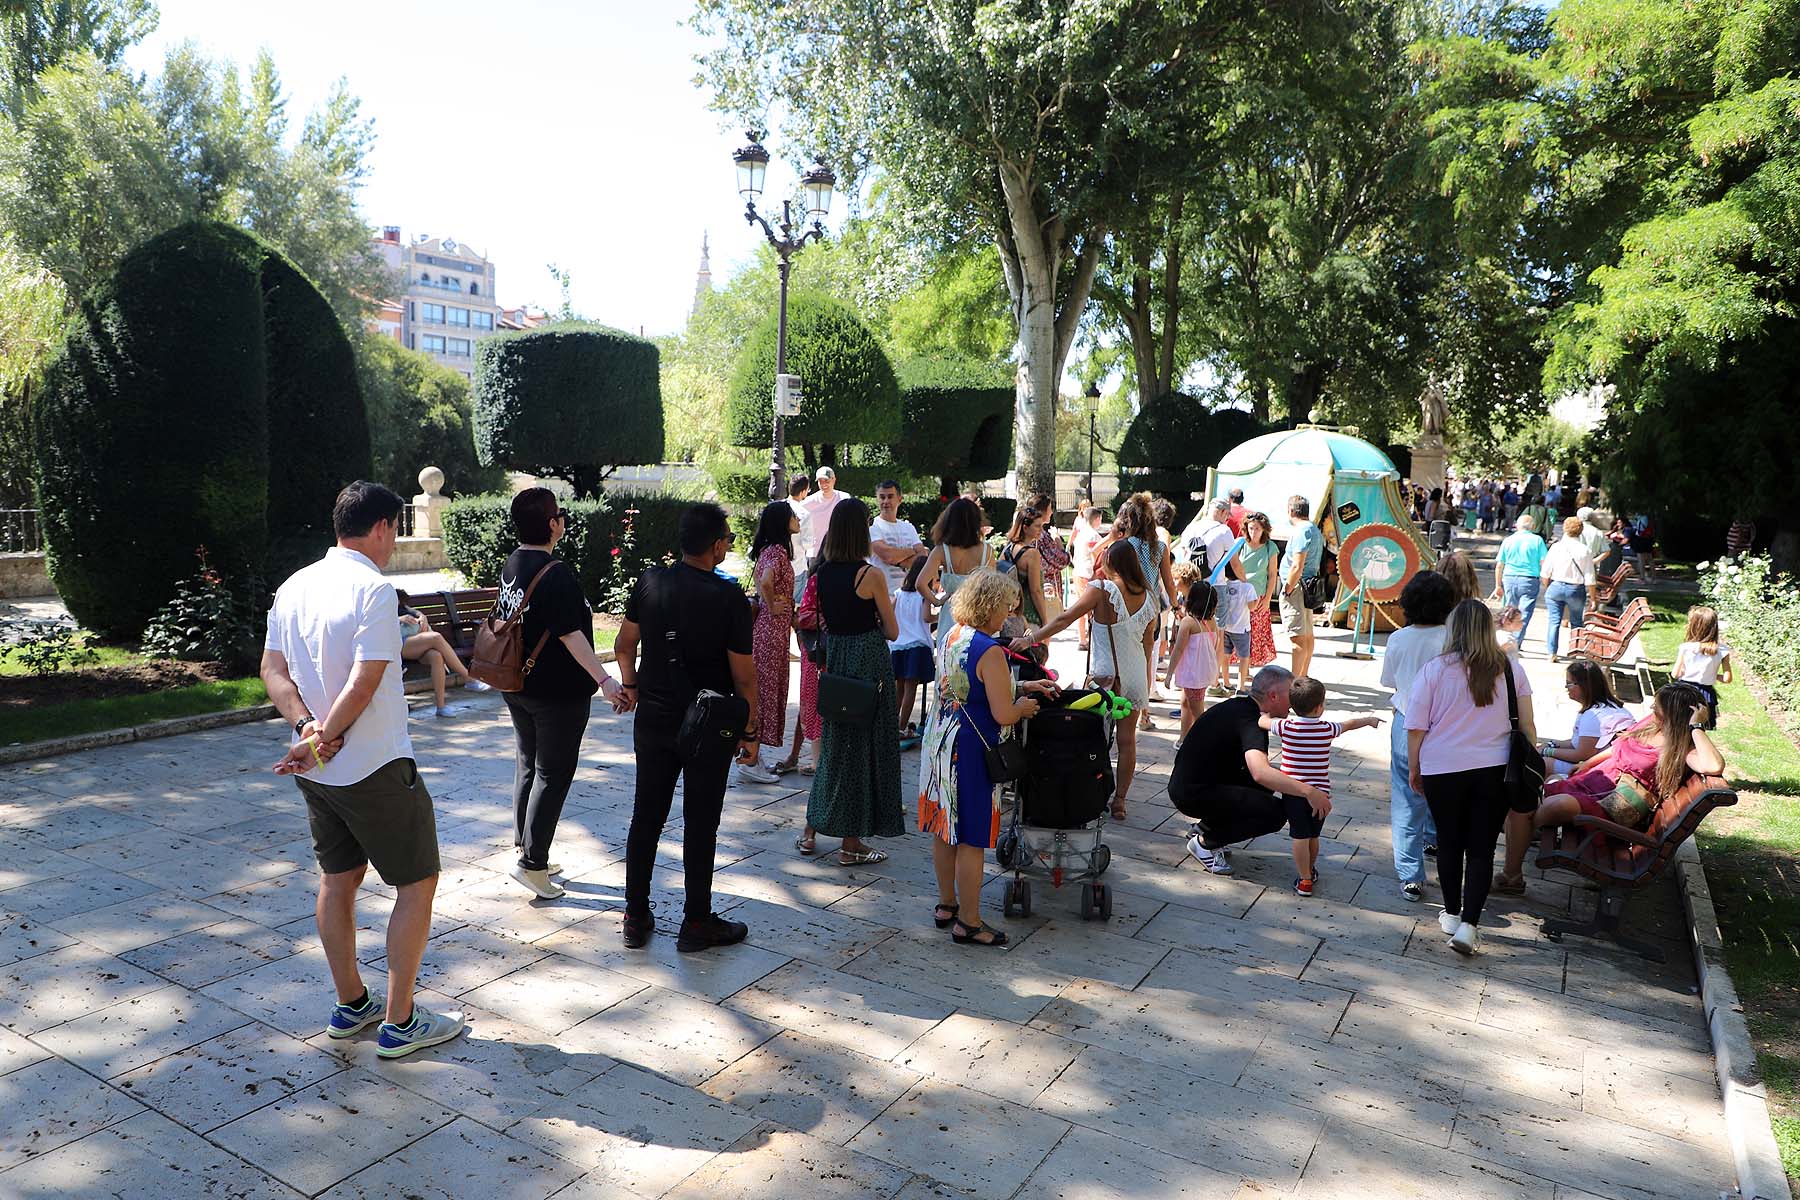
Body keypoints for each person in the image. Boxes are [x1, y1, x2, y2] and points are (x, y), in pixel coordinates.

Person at [259, 481, 464, 1058]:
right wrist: (325, 736)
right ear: (381, 528)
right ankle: (400, 1022)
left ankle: (352, 1005)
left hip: (318, 770)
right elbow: (367, 677)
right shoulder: (373, 590)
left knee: (338, 879)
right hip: (373, 764)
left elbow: (272, 669)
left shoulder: (294, 585)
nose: (394, 541)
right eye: (395, 530)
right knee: (417, 882)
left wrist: (305, 729)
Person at [614, 503, 758, 953]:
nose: (729, 546)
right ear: (716, 545)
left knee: (646, 816)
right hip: (707, 722)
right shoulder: (729, 597)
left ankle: (635, 915)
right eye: (728, 540)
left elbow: (623, 645)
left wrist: (631, 686)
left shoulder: (649, 582)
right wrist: (750, 731)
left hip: (654, 714)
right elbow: (744, 676)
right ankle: (696, 922)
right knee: (701, 822)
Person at [494, 487, 631, 899]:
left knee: (528, 764)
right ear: (552, 524)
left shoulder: (513, 563)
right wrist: (607, 682)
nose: (563, 519)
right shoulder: (557, 573)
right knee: (552, 773)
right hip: (556, 692)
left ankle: (529, 846)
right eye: (559, 514)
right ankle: (532, 864)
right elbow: (572, 636)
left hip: (518, 684)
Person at [919, 569, 1056, 947]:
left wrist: (1022, 683)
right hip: (973, 752)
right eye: (1005, 608)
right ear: (990, 606)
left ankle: (947, 904)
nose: (1007, 616)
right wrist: (1024, 705)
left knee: (945, 828)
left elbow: (967, 685)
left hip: (941, 744)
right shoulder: (990, 649)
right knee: (973, 838)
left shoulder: (952, 635)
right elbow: (1002, 713)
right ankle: (970, 921)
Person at [1403, 598, 1536, 956]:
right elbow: (1527, 727)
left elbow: (1415, 727)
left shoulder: (1435, 670)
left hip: (1442, 768)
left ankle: (1450, 911)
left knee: (1449, 841)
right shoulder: (1511, 669)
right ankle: (1469, 924)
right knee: (1481, 848)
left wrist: (1415, 767)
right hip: (1495, 771)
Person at [1498, 684, 1723, 891]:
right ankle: (1517, 854)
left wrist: (1696, 726)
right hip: (1596, 782)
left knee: (1550, 805)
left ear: (1673, 714)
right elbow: (1618, 747)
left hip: (1614, 805)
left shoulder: (1681, 747)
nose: (1653, 708)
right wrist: (1585, 764)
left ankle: (1517, 856)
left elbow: (1714, 765)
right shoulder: (1651, 723)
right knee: (1530, 798)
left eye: (1658, 706)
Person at [802, 499, 906, 864]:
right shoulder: (870, 576)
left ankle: (814, 828)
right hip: (869, 661)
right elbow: (892, 631)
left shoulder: (821, 574)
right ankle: (851, 842)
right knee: (867, 748)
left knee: (835, 745)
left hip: (838, 661)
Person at [1024, 540, 1155, 820]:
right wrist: (1145, 683)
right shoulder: (1150, 598)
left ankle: (1090, 791)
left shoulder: (1101, 589)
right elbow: (1148, 646)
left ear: (1111, 562)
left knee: (1091, 737)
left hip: (1104, 677)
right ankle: (1120, 800)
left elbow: (1066, 618)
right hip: (1134, 676)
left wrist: (1031, 639)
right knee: (1127, 740)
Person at [1167, 665, 1329, 876]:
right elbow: (1260, 772)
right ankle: (1205, 843)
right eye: (1290, 694)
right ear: (1273, 696)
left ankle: (1206, 827)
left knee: (1267, 787)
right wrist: (1309, 791)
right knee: (1275, 814)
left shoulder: (1239, 706)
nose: (1294, 700)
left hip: (1188, 785)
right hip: (1193, 794)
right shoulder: (1251, 721)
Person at [1266, 676, 1383, 896]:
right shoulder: (1326, 729)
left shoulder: (1286, 726)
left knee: (1299, 836)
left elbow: (1263, 722)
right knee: (1312, 836)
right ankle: (1309, 870)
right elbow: (1348, 725)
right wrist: (1369, 720)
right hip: (1321, 794)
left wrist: (1263, 714)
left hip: (1294, 793)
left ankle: (1305, 880)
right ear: (1320, 707)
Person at [1381, 571, 1453, 902]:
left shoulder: (1398, 638)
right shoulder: (1453, 638)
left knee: (1406, 797)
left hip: (1407, 720)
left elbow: (1390, 682)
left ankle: (1410, 874)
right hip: (1444, 724)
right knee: (1442, 788)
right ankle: (1434, 836)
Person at [741, 501, 800, 785]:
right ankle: (752, 759)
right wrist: (773, 606)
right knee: (765, 692)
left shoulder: (767, 551)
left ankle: (751, 755)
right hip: (771, 632)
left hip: (768, 631)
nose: (797, 518)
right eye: (792, 515)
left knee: (761, 690)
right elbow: (765, 582)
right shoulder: (777, 552)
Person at [919, 497, 991, 665]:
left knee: (948, 669)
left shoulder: (941, 551)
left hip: (950, 618)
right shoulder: (987, 551)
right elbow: (993, 589)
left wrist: (937, 602)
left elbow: (920, 583)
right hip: (979, 618)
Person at [1540, 659, 1635, 778]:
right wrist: (1551, 744)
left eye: (1569, 683)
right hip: (1607, 764)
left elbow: (1582, 754)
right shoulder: (1611, 706)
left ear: (1584, 686)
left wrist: (1547, 751)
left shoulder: (1593, 716)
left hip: (1603, 771)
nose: (1566, 687)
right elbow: (1578, 742)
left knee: (1544, 763)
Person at [397, 601, 491, 717]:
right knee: (435, 637)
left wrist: (422, 616)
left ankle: (441, 707)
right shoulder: (378, 605)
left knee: (436, 656)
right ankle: (469, 677)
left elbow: (413, 611)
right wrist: (399, 619)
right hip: (396, 645)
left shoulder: (400, 605)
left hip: (415, 642)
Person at [1166, 572, 1220, 745]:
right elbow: (1214, 647)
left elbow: (1178, 650)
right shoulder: (1211, 622)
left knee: (1198, 713)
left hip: (1192, 674)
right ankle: (1184, 738)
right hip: (1202, 673)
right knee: (1186, 703)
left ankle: (1206, 744)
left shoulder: (1188, 622)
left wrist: (1169, 674)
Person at [890, 556, 937, 747]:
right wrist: (940, 615)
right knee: (911, 689)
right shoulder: (924, 594)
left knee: (898, 689)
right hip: (917, 645)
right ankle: (901, 729)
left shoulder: (899, 594)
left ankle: (892, 726)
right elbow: (926, 617)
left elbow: (892, 615)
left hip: (898, 645)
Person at [1279, 495, 1325, 679]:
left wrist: (1287, 588)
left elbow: (1297, 565)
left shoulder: (1301, 531)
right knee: (1307, 635)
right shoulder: (1314, 529)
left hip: (1297, 588)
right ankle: (1303, 677)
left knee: (1297, 638)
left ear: (1291, 510)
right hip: (1308, 586)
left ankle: (1294, 682)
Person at [1541, 515, 1598, 660]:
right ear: (1581, 531)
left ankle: (1552, 652)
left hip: (1556, 586)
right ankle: (1576, 650)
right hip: (1575, 588)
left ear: (1565, 529)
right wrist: (1593, 598)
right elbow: (1590, 577)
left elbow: (1545, 572)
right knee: (1577, 621)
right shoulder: (1585, 550)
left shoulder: (1556, 547)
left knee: (1554, 621)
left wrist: (1548, 587)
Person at [1673, 605, 1732, 730]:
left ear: (1694, 626)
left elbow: (1675, 673)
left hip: (1684, 691)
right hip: (1705, 694)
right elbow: (1727, 678)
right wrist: (1712, 675)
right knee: (1699, 728)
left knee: (1679, 725)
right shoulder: (1722, 650)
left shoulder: (1686, 647)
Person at [1490, 514, 1547, 643]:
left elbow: (1499, 565)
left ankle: (1503, 640)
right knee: (1524, 613)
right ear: (1532, 526)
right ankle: (1515, 641)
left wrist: (1498, 585)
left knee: (1508, 611)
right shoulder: (1537, 540)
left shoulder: (1508, 540)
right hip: (1529, 579)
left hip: (1509, 577)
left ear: (1517, 525)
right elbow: (1544, 563)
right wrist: (1546, 581)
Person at [1238, 513, 1280, 678]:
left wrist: (1268, 598)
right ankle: (1242, 667)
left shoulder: (1270, 548)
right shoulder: (1240, 544)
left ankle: (1247, 667)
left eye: (1257, 528)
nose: (1254, 531)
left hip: (1259, 595)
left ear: (1264, 530)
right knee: (1238, 631)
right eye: (1251, 528)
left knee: (1255, 633)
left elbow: (1272, 574)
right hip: (1240, 594)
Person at [997, 504, 1049, 636]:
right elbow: (1035, 590)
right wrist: (1045, 620)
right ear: (1025, 527)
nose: (1040, 530)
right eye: (1037, 526)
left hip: (1009, 614)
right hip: (1029, 614)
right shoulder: (1032, 554)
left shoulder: (1007, 549)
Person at [869, 480, 926, 592]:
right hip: (882, 593)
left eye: (890, 497)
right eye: (882, 497)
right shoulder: (872, 526)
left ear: (900, 499)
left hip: (907, 594)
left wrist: (898, 561)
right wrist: (911, 551)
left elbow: (922, 556)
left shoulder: (909, 527)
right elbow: (888, 555)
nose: (885, 501)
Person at [1029, 491, 1069, 622]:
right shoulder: (1041, 537)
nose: (1051, 512)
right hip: (1045, 589)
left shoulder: (1035, 535)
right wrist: (1058, 541)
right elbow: (1062, 560)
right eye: (1050, 508)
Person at [1070, 505, 1106, 651]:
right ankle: (1090, 638)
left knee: (1081, 607)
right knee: (1091, 608)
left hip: (1079, 571)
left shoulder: (1081, 533)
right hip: (1088, 574)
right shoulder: (1093, 535)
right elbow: (1095, 553)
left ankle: (1082, 639)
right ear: (1096, 519)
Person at [1214, 573, 1256, 696]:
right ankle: (1241, 686)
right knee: (1243, 658)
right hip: (1241, 628)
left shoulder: (1223, 586)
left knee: (1225, 656)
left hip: (1225, 627)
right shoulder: (1247, 587)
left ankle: (1226, 683)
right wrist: (1257, 601)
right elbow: (1251, 607)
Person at [1178, 498, 1238, 578]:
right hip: (1214, 583)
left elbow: (1184, 553)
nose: (1226, 519)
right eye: (1227, 515)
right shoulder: (1224, 530)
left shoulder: (1190, 527)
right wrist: (1245, 581)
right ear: (1223, 512)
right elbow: (1235, 564)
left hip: (1190, 582)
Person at [800, 465, 846, 568]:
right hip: (814, 554)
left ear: (834, 480)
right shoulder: (808, 502)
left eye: (826, 480)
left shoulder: (844, 499)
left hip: (838, 552)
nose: (824, 484)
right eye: (820, 481)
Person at [787, 476, 814, 592]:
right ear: (803, 491)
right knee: (796, 605)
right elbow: (807, 543)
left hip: (776, 566)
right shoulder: (803, 513)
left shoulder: (775, 508)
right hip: (796, 565)